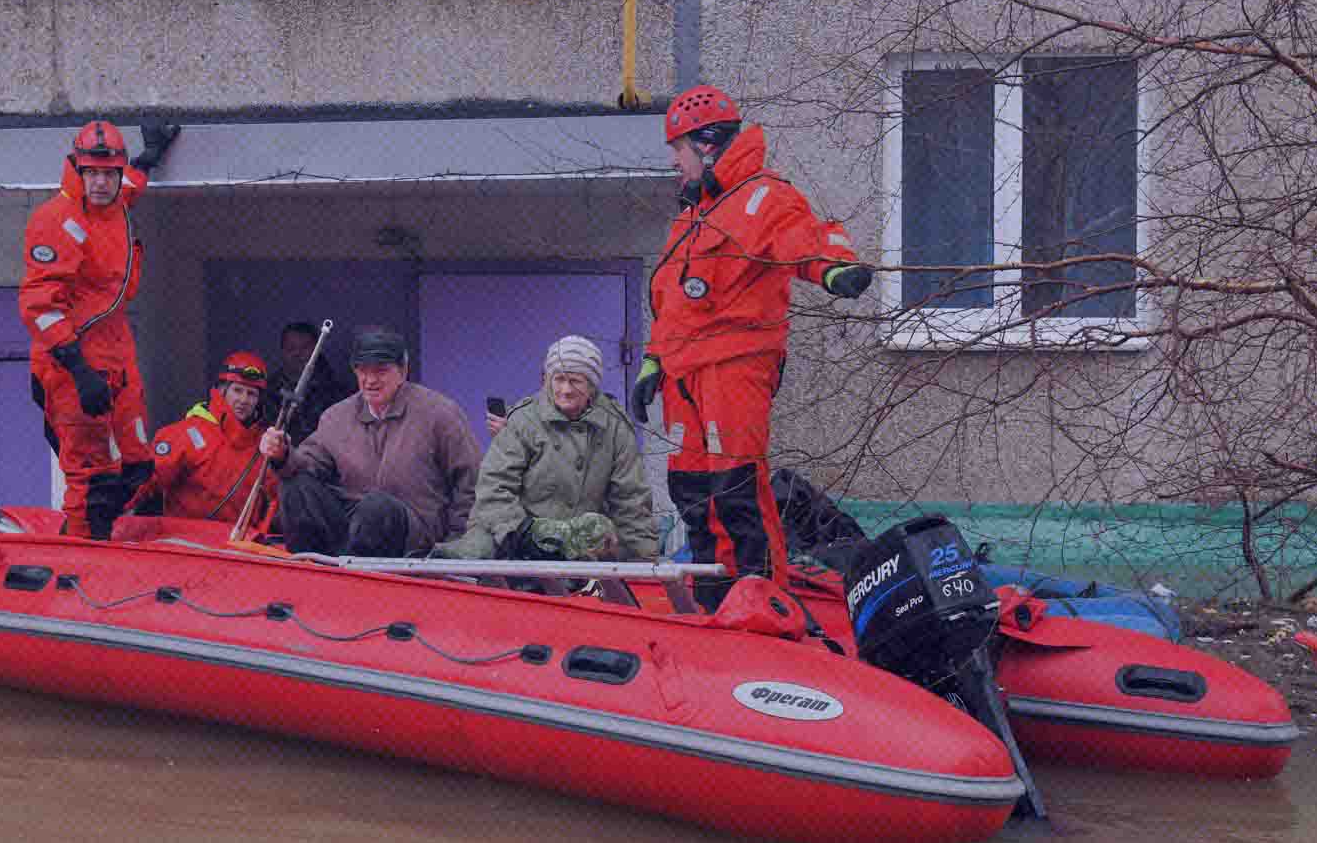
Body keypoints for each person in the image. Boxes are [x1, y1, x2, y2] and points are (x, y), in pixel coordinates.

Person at [631, 85, 872, 609]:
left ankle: (764, 600)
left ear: (708, 143)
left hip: (735, 366)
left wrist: (834, 268)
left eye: (679, 149)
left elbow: (801, 237)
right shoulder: (692, 218)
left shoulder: (763, 196)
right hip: (685, 376)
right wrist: (653, 362)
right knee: (693, 491)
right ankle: (719, 599)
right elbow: (672, 304)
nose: (674, 161)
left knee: (737, 486)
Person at [20, 119, 180, 540]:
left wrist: (150, 158)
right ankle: (79, 553)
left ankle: (98, 537)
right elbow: (40, 306)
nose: (102, 182)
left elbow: (130, 186)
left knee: (137, 466)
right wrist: (78, 370)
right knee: (92, 476)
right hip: (70, 360)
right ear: (77, 170)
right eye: (92, 173)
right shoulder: (57, 220)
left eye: (109, 173)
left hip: (115, 352)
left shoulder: (115, 200)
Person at [259, 328, 482, 557]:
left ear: (403, 370)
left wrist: (458, 544)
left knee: (377, 508)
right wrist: (283, 454)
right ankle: (309, 570)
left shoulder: (439, 413)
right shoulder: (337, 416)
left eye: (381, 371)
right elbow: (307, 464)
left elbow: (470, 482)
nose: (371, 380)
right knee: (295, 485)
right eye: (363, 371)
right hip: (352, 528)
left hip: (413, 534)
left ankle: (357, 578)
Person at [433, 336, 654, 563]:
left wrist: (645, 565)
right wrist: (527, 532)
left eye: (575, 381)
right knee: (470, 556)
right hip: (514, 535)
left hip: (578, 545)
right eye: (558, 379)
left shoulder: (614, 427)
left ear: (592, 385)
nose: (565, 390)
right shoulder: (524, 421)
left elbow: (631, 502)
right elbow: (493, 489)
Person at [135, 351, 277, 526]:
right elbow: (145, 484)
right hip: (187, 544)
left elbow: (276, 500)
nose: (243, 399)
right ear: (221, 390)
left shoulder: (266, 444)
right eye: (237, 390)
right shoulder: (183, 435)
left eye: (251, 394)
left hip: (241, 547)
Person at [264, 321, 355, 447]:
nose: (297, 353)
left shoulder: (337, 392)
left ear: (317, 349)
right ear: (282, 351)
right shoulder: (268, 391)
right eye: (291, 348)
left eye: (304, 348)